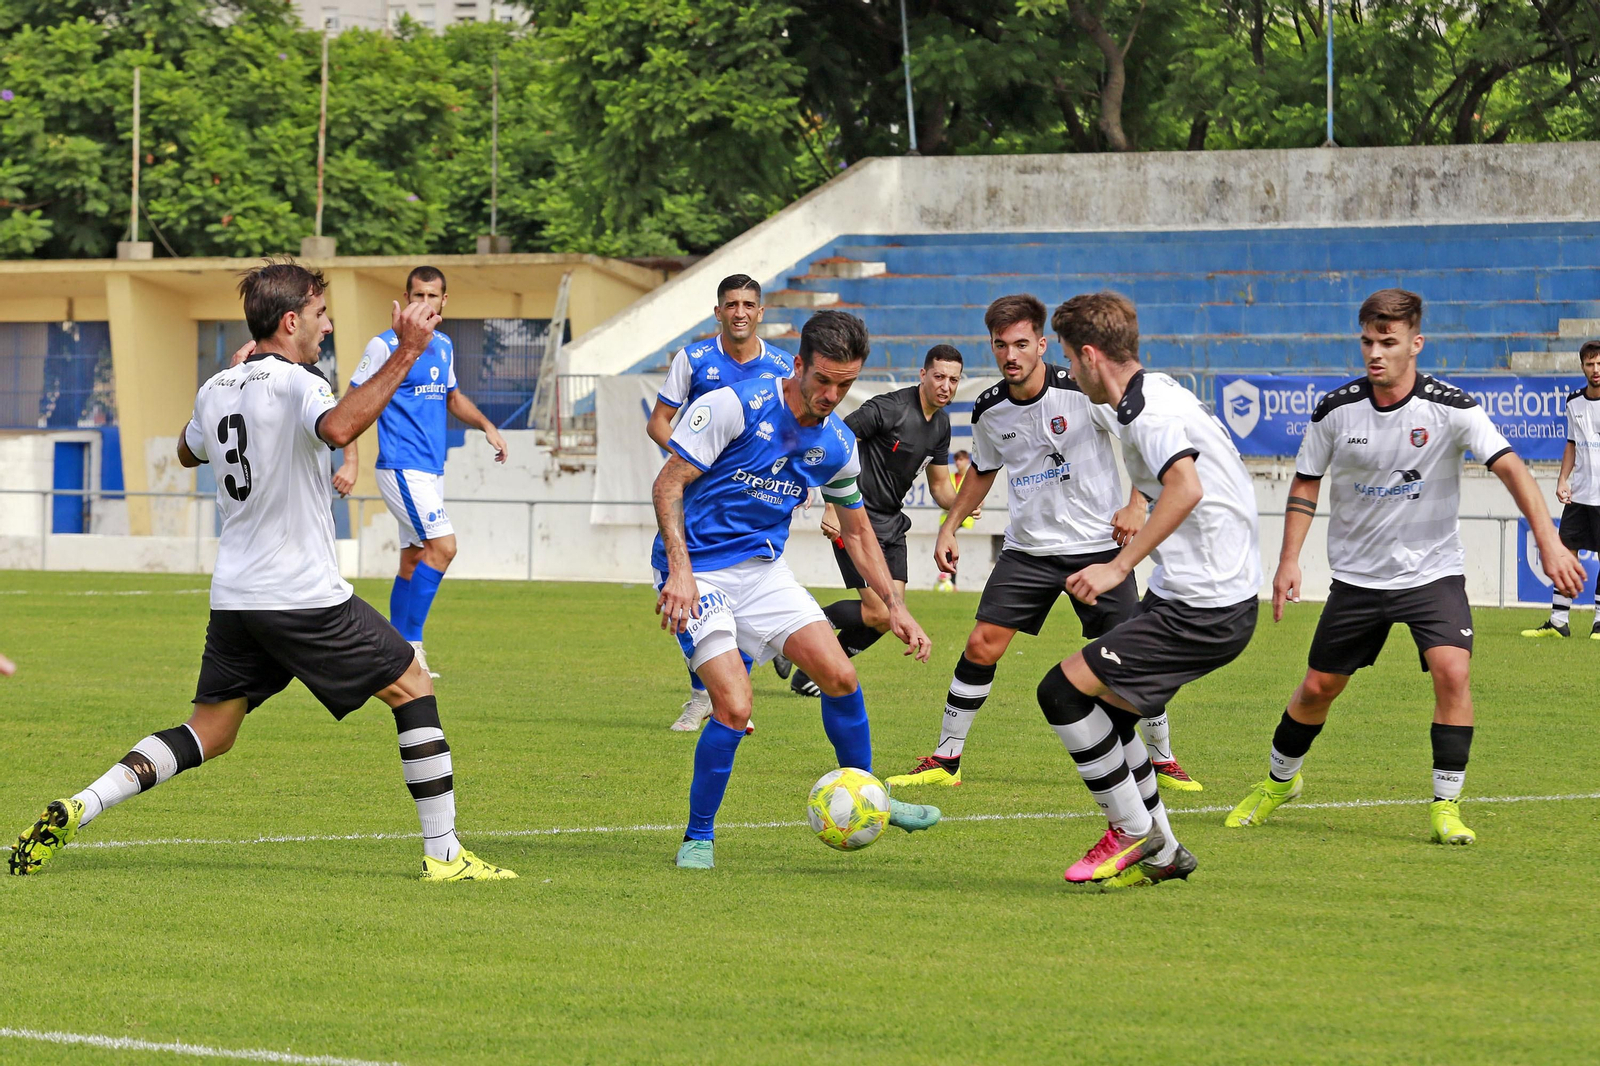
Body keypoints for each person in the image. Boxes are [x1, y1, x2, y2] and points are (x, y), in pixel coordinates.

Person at [9, 260, 514, 881]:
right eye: (322, 316)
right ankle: (446, 857)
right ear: (292, 320)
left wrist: (237, 380)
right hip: (300, 594)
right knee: (412, 681)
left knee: (211, 731)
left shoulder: (218, 386)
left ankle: (80, 805)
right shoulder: (301, 384)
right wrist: (407, 351)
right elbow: (340, 426)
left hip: (237, 599)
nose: (328, 328)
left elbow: (186, 449)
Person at [1227, 288, 1585, 846]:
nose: (1375, 353)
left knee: (1453, 671)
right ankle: (1279, 783)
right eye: (1368, 341)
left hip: (1432, 574)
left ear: (1415, 344)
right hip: (1358, 579)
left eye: (1388, 342)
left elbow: (1511, 466)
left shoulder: (1451, 407)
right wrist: (1289, 559)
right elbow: (1305, 480)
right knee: (1318, 688)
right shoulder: (1336, 409)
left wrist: (1549, 540)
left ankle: (1447, 806)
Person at [651, 310, 941, 869]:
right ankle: (698, 836)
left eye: (846, 384)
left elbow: (857, 529)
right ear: (799, 365)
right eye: (823, 379)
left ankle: (871, 796)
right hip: (697, 570)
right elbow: (668, 484)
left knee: (840, 675)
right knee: (733, 706)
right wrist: (680, 573)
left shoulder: (836, 443)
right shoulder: (734, 405)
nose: (832, 394)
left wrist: (896, 606)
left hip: (762, 572)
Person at [887, 294, 1202, 793]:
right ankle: (946, 759)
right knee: (981, 645)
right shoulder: (989, 410)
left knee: (1126, 656)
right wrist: (950, 526)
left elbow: (1143, 443)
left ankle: (1162, 758)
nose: (1010, 355)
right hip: (1028, 550)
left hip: (1099, 546)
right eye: (999, 345)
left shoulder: (1082, 391)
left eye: (1019, 343)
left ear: (1041, 343)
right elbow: (983, 473)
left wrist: (1137, 503)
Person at [1035, 291, 1261, 888]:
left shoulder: (1148, 412)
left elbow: (1185, 487)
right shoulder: (1147, 392)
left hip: (1205, 605)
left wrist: (1117, 565)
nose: (1067, 367)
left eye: (1066, 356)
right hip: (1198, 592)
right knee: (1107, 715)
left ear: (1088, 355)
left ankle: (1132, 832)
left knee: (1060, 692)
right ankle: (1164, 854)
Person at [647, 274, 795, 732]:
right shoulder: (693, 360)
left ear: (761, 312)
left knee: (745, 583)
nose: (740, 312)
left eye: (749, 304)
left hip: (756, 498)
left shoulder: (785, 366)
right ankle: (709, 693)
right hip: (699, 496)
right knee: (683, 587)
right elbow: (658, 422)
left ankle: (718, 697)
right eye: (731, 304)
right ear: (718, 312)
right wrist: (693, 461)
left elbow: (797, 430)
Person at [348, 266, 510, 680]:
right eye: (416, 296)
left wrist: (487, 425)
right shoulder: (385, 345)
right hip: (402, 465)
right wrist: (350, 461)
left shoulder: (443, 344)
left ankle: (392, 651)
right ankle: (412, 649)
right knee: (445, 547)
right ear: (405, 299)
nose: (424, 303)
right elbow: (349, 402)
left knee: (414, 557)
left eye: (432, 296)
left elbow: (452, 397)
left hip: (430, 468)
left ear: (443, 301)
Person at [788, 344, 963, 697]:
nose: (946, 385)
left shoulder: (941, 425)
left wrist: (963, 504)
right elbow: (836, 441)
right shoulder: (889, 408)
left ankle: (807, 669)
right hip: (856, 516)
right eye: (940, 376)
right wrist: (832, 504)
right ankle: (791, 632)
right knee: (876, 607)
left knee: (886, 616)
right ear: (923, 375)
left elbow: (941, 485)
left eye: (954, 380)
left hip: (892, 521)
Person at [1523, 340, 1600, 638]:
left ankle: (1598, 623)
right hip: (1579, 494)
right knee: (1567, 551)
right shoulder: (1573, 402)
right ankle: (1558, 622)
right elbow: (1571, 443)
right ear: (1582, 366)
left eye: (1599, 363)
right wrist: (1562, 479)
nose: (1596, 369)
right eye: (1590, 364)